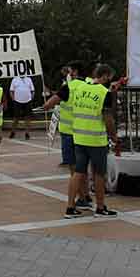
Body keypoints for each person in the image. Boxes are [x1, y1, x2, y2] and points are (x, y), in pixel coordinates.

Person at [63, 64, 120, 218]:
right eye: (110, 77)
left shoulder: (80, 88)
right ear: (106, 76)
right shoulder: (104, 93)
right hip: (96, 140)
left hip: (79, 137)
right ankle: (100, 208)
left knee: (78, 172)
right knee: (99, 174)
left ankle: (70, 207)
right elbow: (108, 119)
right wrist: (114, 137)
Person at [43, 62, 92, 207]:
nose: (67, 73)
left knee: (74, 168)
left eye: (69, 71)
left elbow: (48, 105)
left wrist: (48, 100)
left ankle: (81, 197)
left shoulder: (68, 87)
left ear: (75, 72)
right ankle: (87, 194)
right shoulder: (89, 84)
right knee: (83, 166)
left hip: (69, 133)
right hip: (85, 131)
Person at [8, 74, 34, 139]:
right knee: (16, 118)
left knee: (27, 117)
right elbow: (11, 91)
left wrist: (31, 98)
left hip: (27, 101)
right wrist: (13, 99)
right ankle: (13, 132)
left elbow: (32, 90)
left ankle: (27, 133)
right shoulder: (15, 79)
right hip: (17, 101)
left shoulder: (29, 79)